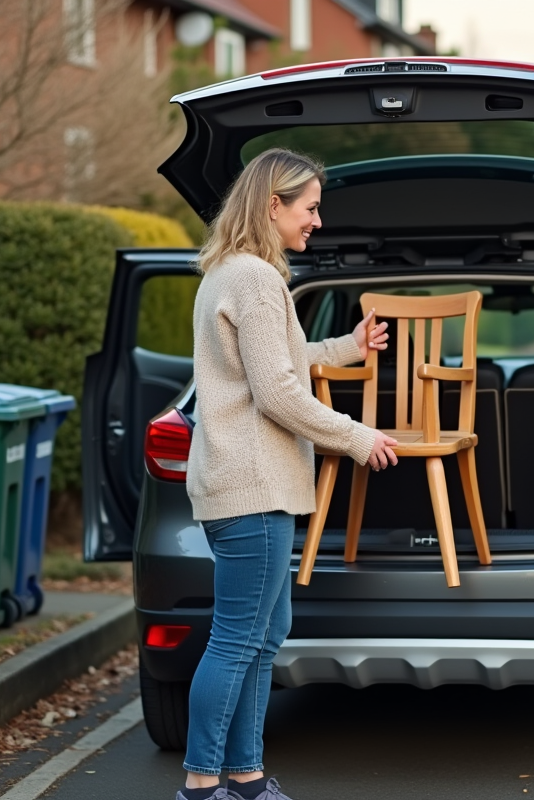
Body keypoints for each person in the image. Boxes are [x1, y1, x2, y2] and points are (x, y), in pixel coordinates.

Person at [176, 148, 398, 800]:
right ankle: (199, 784)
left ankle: (244, 776)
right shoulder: (255, 278)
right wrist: (357, 438)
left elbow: (279, 359)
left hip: (243, 487)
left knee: (263, 636)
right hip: (253, 489)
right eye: (309, 208)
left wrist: (346, 349)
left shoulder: (230, 273)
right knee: (238, 640)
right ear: (273, 205)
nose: (316, 222)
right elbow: (277, 393)